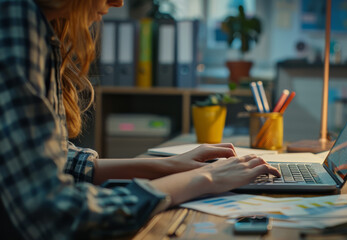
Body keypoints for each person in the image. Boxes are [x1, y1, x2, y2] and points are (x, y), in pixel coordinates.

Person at [0, 0, 281, 239]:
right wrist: (203, 178)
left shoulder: (33, 22)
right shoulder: (15, 21)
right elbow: (54, 214)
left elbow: (55, 160)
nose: (119, 2)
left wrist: (167, 166)